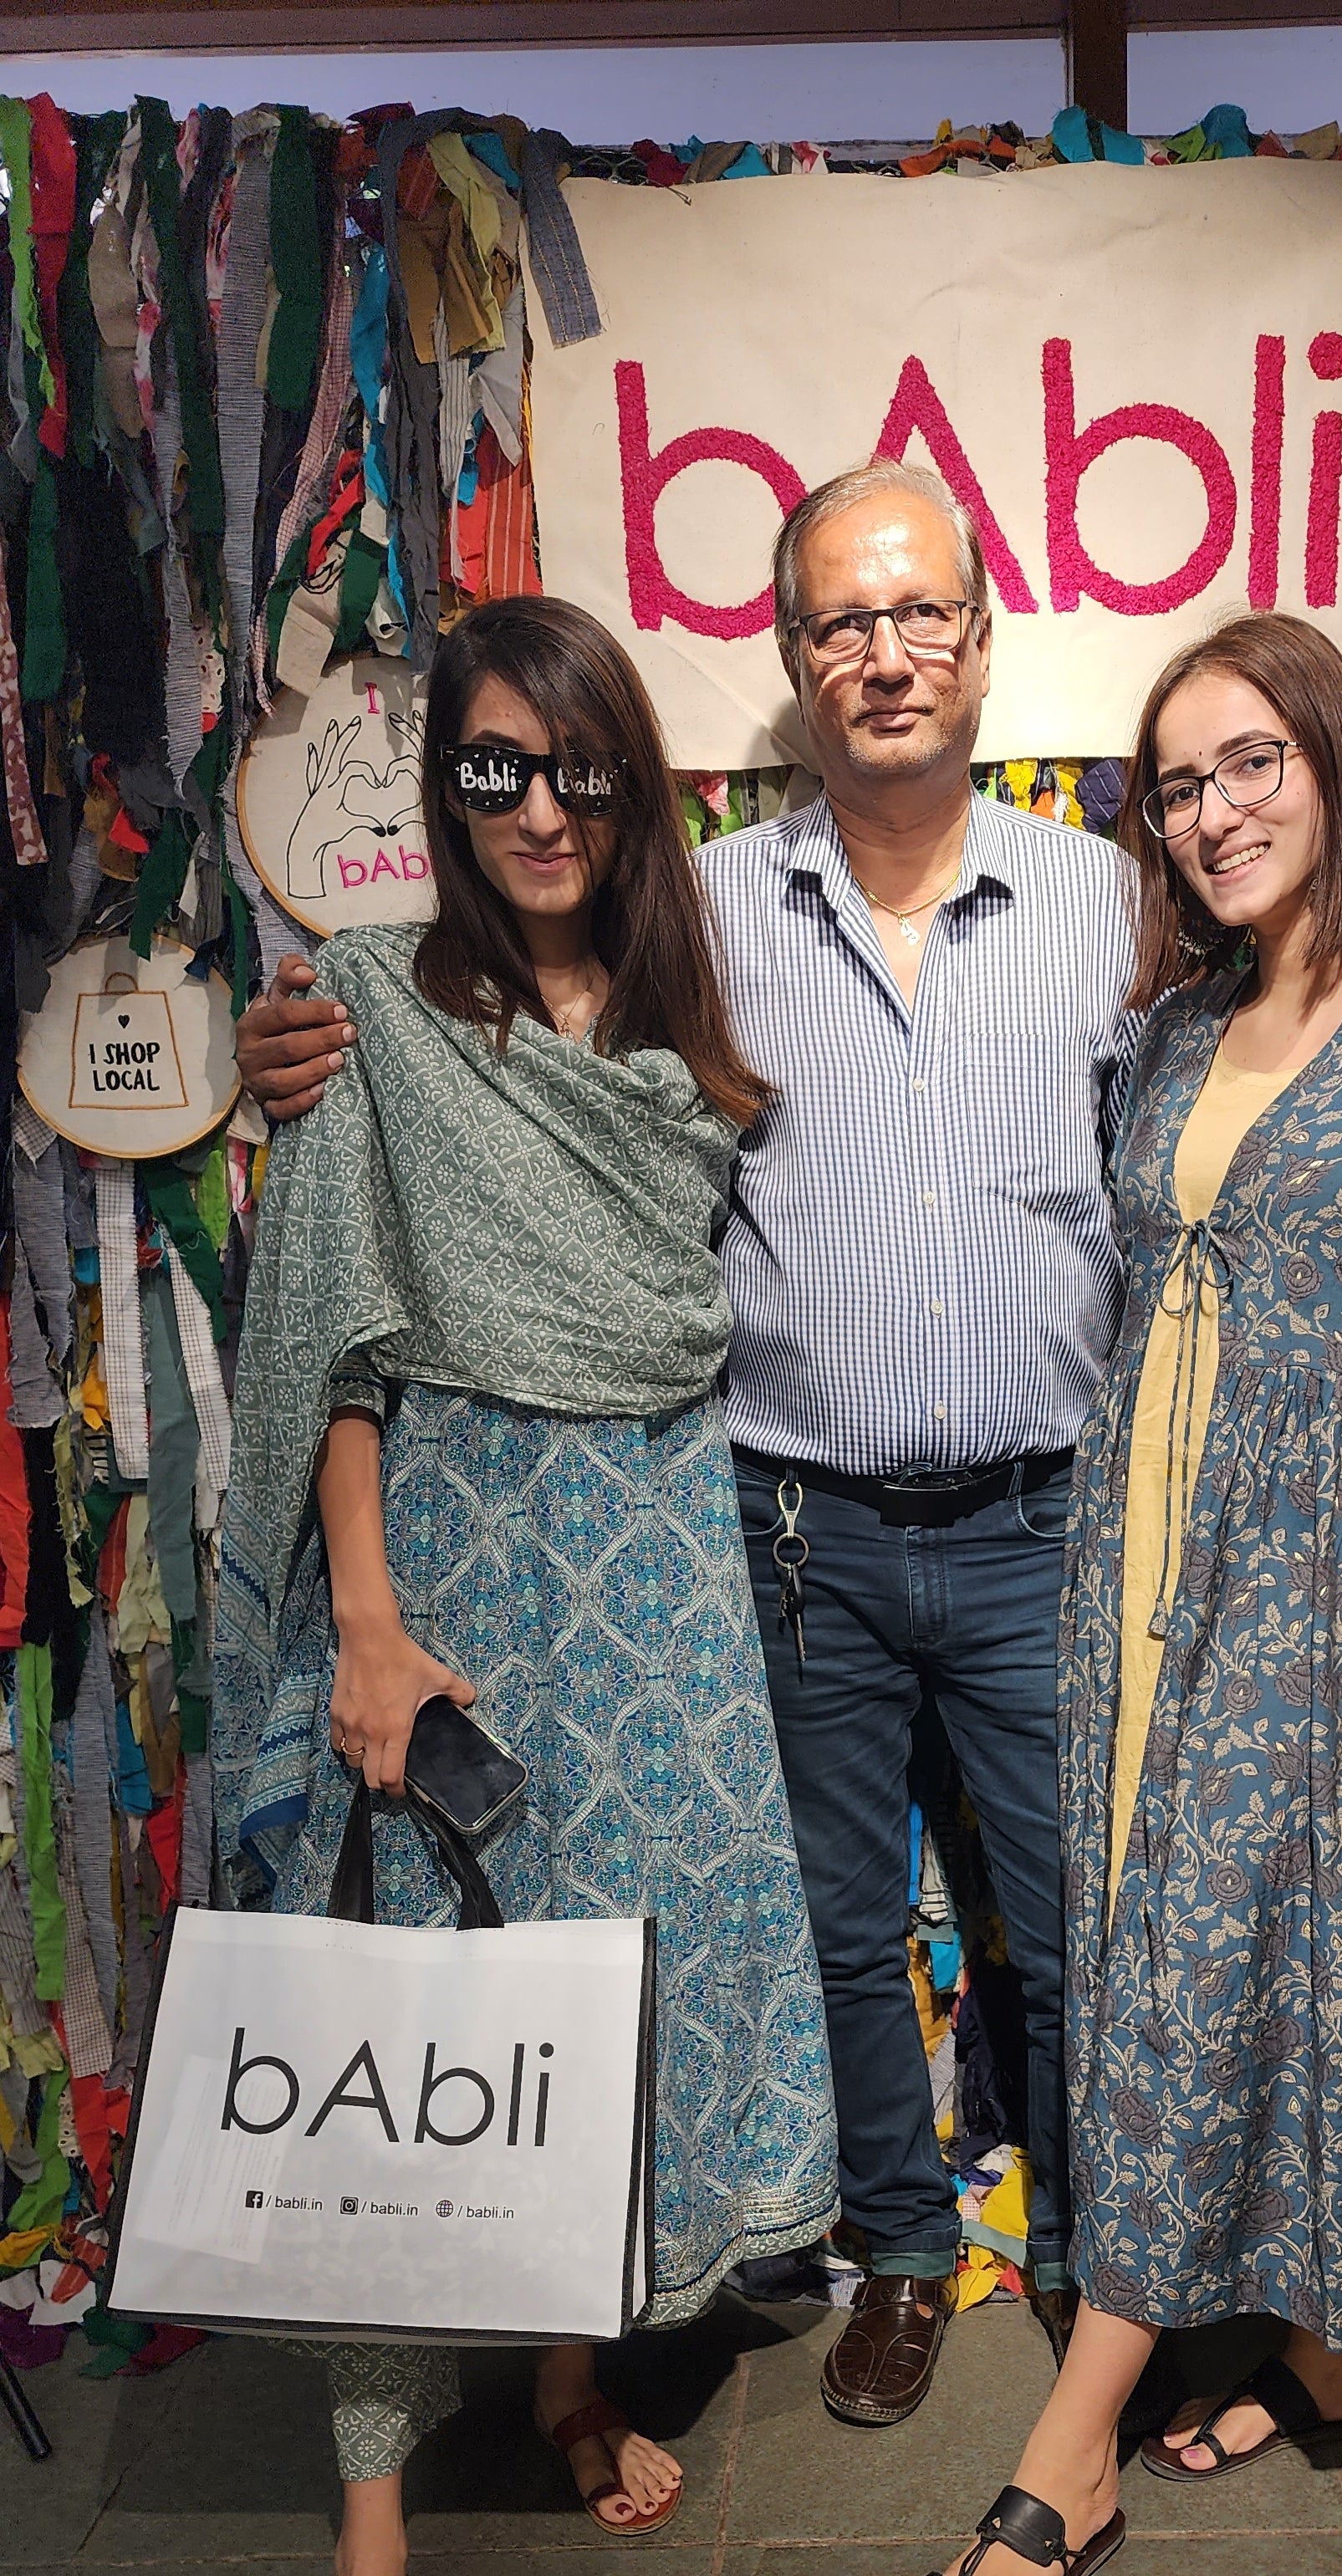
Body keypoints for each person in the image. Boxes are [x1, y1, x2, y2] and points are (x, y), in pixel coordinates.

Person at [235, 462, 1140, 2431]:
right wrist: (296, 1046)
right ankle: (899, 2251)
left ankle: (1095, 2260)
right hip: (784, 1531)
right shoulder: (702, 912)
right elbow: (483, 1053)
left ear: (983, 637)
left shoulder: (1109, 903)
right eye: (840, 621)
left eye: (918, 612)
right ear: (794, 659)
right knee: (832, 1927)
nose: (883, 654)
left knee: (1072, 1917)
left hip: (1036, 1523)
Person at [901, 612, 1342, 2576]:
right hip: (1144, 1559)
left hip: (1337, 1579)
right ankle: (1326, 2351)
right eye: (1179, 784)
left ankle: (1072, 2449)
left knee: (1210, 1955)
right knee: (1167, 1949)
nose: (1213, 811)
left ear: (1337, 762)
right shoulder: (1180, 1025)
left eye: (1250, 760)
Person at [217, 594, 836, 2576]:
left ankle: (571, 2370)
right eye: (493, 769)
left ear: (628, 786)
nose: (541, 810)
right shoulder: (375, 1005)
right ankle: (371, 2547)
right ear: (446, 791)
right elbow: (344, 1326)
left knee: (593, 1977)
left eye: (577, 768)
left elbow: (686, 1309)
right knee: (410, 2004)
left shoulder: (676, 1029)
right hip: (457, 1561)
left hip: (652, 1562)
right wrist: (367, 1621)